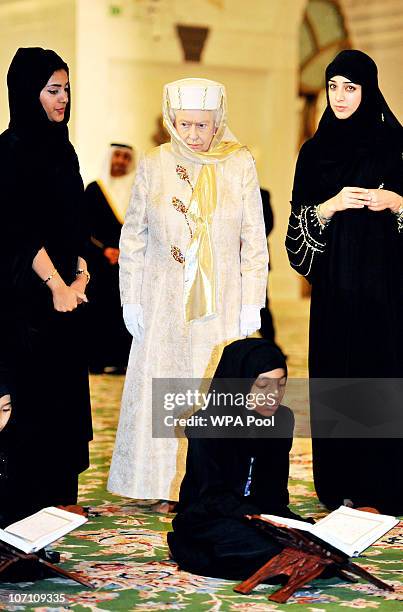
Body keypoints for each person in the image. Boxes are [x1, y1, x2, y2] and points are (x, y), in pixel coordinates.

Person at [107, 78, 268, 507]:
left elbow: (254, 239)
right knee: (165, 385)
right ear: (170, 120)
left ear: (218, 122)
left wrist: (253, 301)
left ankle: (208, 485)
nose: (194, 135)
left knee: (210, 390)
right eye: (185, 124)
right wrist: (132, 298)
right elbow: (134, 237)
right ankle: (160, 484)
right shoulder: (155, 162)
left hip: (222, 304)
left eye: (203, 125)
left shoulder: (239, 163)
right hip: (162, 299)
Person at [286, 50, 403, 514]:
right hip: (335, 292)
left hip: (388, 292)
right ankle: (343, 487)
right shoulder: (315, 153)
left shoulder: (396, 146)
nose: (339, 97)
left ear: (368, 90)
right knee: (339, 379)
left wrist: (397, 202)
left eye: (350, 87)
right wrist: (327, 208)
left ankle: (386, 487)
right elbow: (298, 231)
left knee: (383, 377)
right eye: (333, 86)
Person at [0, 47, 92, 525]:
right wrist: (56, 284)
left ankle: (59, 498)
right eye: (53, 90)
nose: (63, 100)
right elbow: (18, 230)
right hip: (28, 301)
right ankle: (27, 504)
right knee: (33, 400)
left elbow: (73, 221)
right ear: (27, 92)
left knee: (63, 398)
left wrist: (80, 272)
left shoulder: (64, 147)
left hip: (65, 296)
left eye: (67, 90)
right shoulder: (11, 149)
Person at [168, 338, 302, 580]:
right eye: (263, 386)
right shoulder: (207, 424)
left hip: (260, 516)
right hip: (210, 517)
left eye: (281, 385)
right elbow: (211, 497)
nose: (274, 395)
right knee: (260, 546)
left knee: (313, 541)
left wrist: (287, 524)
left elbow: (275, 493)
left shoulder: (282, 419)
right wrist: (257, 520)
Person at [85, 143, 135, 373]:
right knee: (98, 308)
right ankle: (95, 359)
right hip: (99, 260)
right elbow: (84, 228)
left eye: (127, 157)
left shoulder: (137, 190)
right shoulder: (95, 189)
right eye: (118, 155)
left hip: (129, 261)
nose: (122, 161)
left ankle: (121, 360)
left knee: (124, 308)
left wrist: (126, 249)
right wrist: (105, 250)